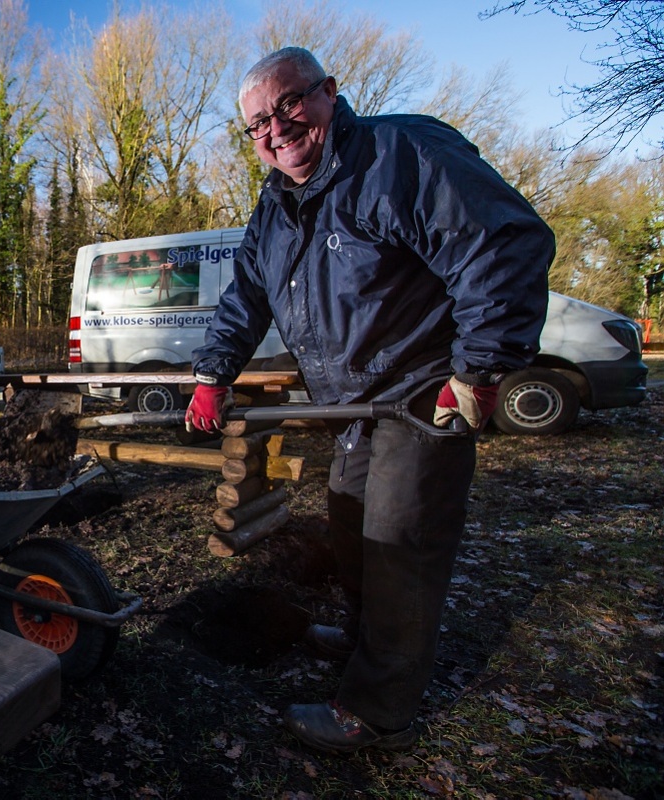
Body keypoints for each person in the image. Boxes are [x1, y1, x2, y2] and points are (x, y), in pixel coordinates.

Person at [186, 47, 553, 753]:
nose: (275, 129)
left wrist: (477, 367)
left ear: (327, 93)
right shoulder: (275, 205)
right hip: (350, 405)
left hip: (419, 394)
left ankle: (376, 711)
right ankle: (361, 640)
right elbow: (248, 297)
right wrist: (212, 373)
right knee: (350, 526)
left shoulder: (398, 154)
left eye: (288, 104)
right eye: (257, 123)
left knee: (397, 544)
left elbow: (500, 243)